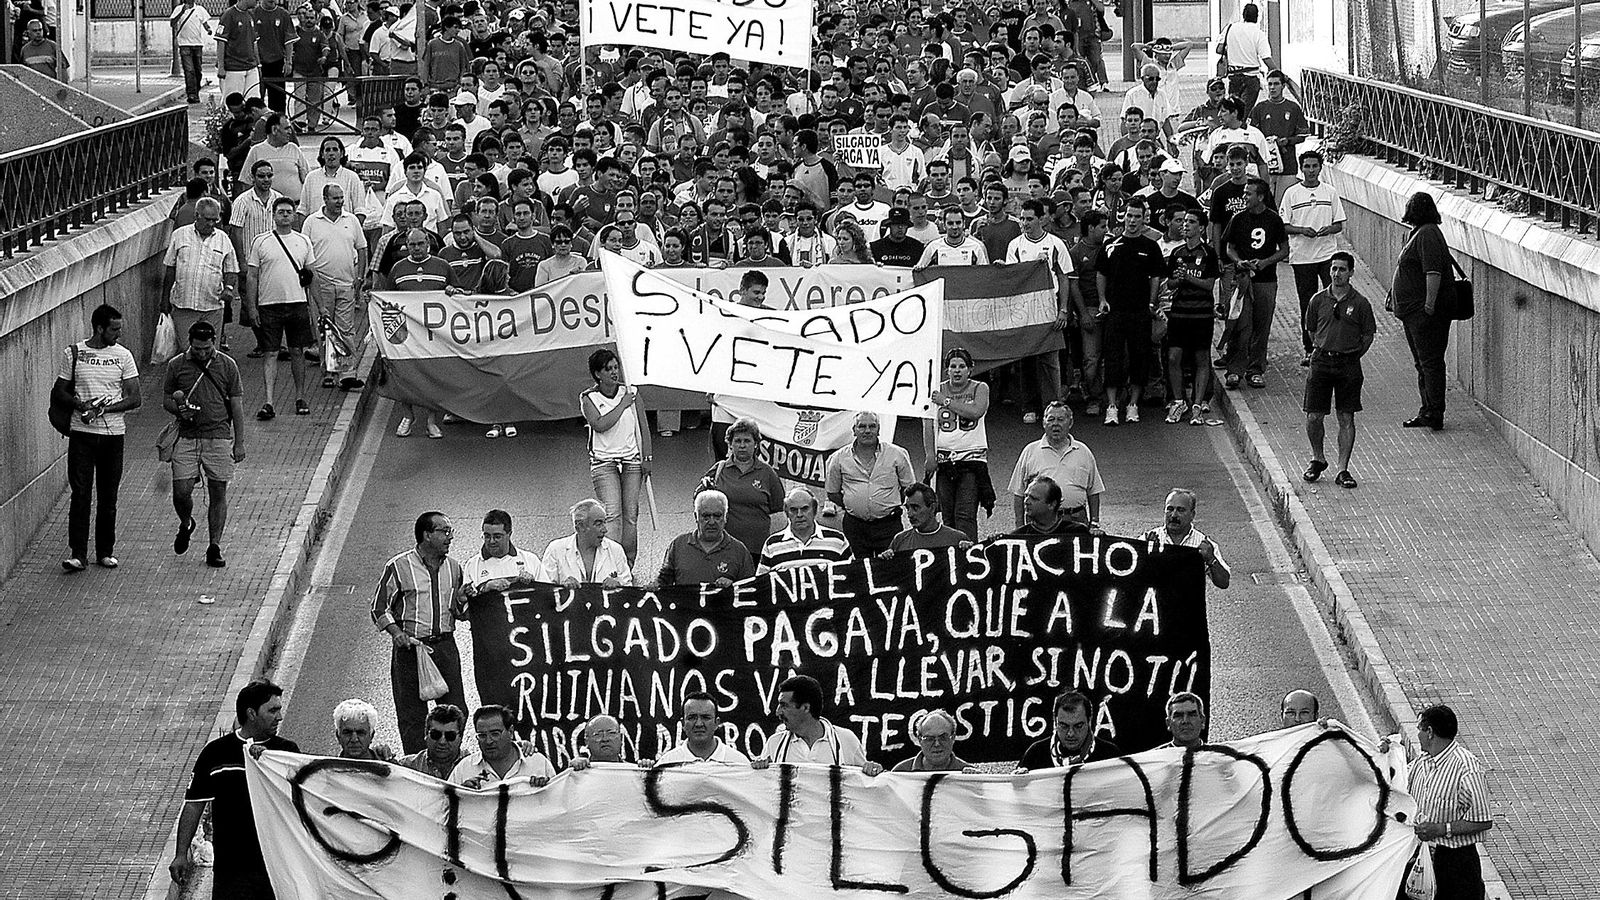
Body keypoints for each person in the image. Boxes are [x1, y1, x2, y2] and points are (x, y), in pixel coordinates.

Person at [170, 680, 297, 899]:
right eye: (272, 710)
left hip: (277, 868)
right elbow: (194, 805)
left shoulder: (286, 752)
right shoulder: (215, 753)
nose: (279, 716)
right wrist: (181, 854)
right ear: (252, 713)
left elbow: (304, 802)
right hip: (231, 871)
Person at [371, 511, 468, 755]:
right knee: (412, 715)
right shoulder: (398, 566)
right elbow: (379, 608)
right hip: (410, 650)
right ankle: (417, 764)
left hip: (445, 647)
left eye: (451, 532)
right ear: (427, 535)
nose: (450, 537)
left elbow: (460, 612)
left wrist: (463, 602)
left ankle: (450, 760)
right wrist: (396, 633)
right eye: (444, 532)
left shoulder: (454, 568)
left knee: (456, 710)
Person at [56, 304, 141, 572]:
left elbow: (135, 398)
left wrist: (105, 409)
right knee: (80, 493)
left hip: (113, 435)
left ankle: (105, 551)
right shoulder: (75, 353)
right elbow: (59, 391)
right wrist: (79, 404)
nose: (118, 333)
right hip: (81, 434)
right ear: (99, 328)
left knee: (108, 496)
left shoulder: (123, 356)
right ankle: (78, 553)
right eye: (114, 329)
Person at [163, 321, 246, 569]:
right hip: (186, 437)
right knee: (181, 491)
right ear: (190, 343)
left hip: (218, 436)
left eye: (207, 349)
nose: (202, 353)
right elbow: (167, 399)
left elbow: (236, 405)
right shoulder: (176, 365)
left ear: (214, 342)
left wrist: (239, 442)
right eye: (197, 349)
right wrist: (179, 410)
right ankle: (186, 522)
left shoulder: (228, 365)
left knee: (218, 491)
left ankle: (214, 546)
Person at [1302, 253, 1376, 489]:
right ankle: (1318, 458)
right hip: (1321, 361)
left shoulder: (1361, 303)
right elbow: (1311, 331)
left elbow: (1368, 336)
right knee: (1314, 415)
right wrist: (1325, 347)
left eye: (1342, 269)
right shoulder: (1317, 300)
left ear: (1351, 272)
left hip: (1348, 364)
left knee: (1346, 416)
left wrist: (1351, 354)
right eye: (1334, 269)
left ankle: (1343, 469)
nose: (1336, 274)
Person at [1406, 704, 1494, 899]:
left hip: (1455, 865)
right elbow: (1395, 777)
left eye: (1419, 729)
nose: (1418, 735)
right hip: (1420, 857)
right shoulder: (1422, 761)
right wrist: (1386, 753)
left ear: (1430, 732)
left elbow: (1483, 819)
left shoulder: (1467, 769)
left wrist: (1441, 829)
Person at [245, 197, 317, 419]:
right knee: (270, 353)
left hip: (297, 304)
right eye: (281, 212)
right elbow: (252, 276)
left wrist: (318, 308)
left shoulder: (303, 241)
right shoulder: (260, 241)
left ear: (294, 216)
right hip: (269, 305)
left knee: (297, 352)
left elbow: (312, 276)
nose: (285, 215)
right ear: (273, 215)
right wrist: (252, 308)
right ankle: (269, 402)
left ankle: (300, 397)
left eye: (289, 212)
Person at [1390, 191, 1455, 431]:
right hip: (1414, 313)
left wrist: (1428, 306)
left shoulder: (1427, 234)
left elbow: (1433, 272)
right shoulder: (1420, 232)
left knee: (1430, 363)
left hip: (1424, 315)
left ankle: (1434, 411)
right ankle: (1427, 409)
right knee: (1423, 363)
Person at [1098, 199, 1166, 424]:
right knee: (1113, 358)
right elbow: (1101, 273)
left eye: (1137, 216)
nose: (1132, 221)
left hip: (1140, 313)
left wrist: (1151, 303)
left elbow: (1156, 277)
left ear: (1144, 218)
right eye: (1129, 216)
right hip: (1115, 312)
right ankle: (1112, 406)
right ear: (1124, 217)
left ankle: (1133, 404)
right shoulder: (1111, 245)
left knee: (1140, 357)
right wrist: (1102, 300)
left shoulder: (1151, 247)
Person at [581, 348, 650, 565]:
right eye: (608, 369)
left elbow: (643, 426)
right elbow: (600, 425)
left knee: (631, 514)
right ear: (597, 374)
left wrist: (647, 458)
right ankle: (610, 563)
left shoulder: (631, 392)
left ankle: (627, 562)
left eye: (615, 367)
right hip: (604, 462)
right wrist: (622, 404)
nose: (614, 372)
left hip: (631, 460)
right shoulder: (588, 398)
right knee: (612, 513)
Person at [1221, 178, 1288, 390]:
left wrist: (1265, 262)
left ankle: (1256, 370)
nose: (1244, 197)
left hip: (1266, 280)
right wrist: (1239, 261)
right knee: (1240, 324)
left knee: (1262, 325)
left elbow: (1284, 250)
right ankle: (1234, 370)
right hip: (1243, 280)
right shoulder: (1238, 219)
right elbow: (1229, 248)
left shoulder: (1274, 220)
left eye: (1248, 194)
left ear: (1260, 196)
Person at [1281, 149, 1346, 366]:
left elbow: (1339, 224)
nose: (1311, 170)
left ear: (1320, 168)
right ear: (1301, 168)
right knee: (1307, 304)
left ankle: (1333, 345)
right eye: (1307, 166)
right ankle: (1310, 349)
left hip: (1327, 256)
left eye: (1314, 166)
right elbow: (1284, 225)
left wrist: (1328, 229)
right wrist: (1301, 230)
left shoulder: (1330, 192)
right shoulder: (1291, 193)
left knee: (1333, 300)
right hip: (1302, 258)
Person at [301, 183, 369, 391]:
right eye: (335, 198)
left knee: (346, 329)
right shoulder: (311, 222)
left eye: (341, 197)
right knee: (325, 329)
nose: (340, 202)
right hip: (320, 285)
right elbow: (304, 253)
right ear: (325, 199)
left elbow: (362, 248)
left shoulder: (352, 220)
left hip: (347, 283)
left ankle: (347, 373)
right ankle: (329, 372)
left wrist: (359, 277)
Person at [824, 411, 917, 558]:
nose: (867, 431)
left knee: (890, 565)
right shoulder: (838, 458)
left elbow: (909, 488)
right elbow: (832, 493)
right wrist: (852, 504)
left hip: (889, 525)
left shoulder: (897, 454)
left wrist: (888, 503)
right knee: (858, 567)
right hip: (855, 526)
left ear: (879, 429)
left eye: (872, 426)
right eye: (862, 426)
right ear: (854, 430)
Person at [923, 348, 994, 540]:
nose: (957, 370)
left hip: (971, 461)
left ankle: (969, 553)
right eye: (953, 366)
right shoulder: (937, 390)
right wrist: (930, 455)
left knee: (965, 515)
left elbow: (976, 412)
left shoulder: (980, 388)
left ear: (970, 369)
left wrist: (946, 401)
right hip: (944, 460)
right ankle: (950, 553)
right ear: (947, 370)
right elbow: (928, 423)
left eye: (962, 366)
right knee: (947, 516)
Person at [752, 674, 883, 774]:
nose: (777, 712)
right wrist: (759, 769)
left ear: (805, 708)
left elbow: (865, 786)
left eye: (784, 706)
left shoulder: (846, 740)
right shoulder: (774, 744)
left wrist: (873, 771)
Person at [1162, 208, 1222, 425]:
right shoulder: (1176, 253)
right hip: (1179, 313)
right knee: (1173, 357)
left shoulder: (1209, 253)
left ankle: (1197, 405)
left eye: (1191, 222)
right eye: (1184, 221)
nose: (1185, 225)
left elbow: (1208, 285)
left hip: (1201, 314)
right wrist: (1177, 280)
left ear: (1202, 227)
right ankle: (1179, 401)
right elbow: (1170, 284)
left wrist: (1187, 276)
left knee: (1201, 358)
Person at [389, 228, 449, 439]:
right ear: (407, 246)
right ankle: (408, 416)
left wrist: (452, 292)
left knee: (432, 377)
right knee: (404, 376)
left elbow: (457, 296)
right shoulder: (398, 269)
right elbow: (387, 299)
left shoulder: (443, 266)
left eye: (420, 244)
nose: (416, 248)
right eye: (412, 245)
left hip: (434, 335)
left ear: (428, 244)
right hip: (406, 336)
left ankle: (431, 421)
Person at [1008, 401, 1105, 532]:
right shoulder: (1030, 451)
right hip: (1040, 524)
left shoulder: (1083, 451)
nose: (1055, 424)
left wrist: (1094, 523)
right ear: (1043, 423)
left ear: (1070, 423)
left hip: (1075, 521)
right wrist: (1020, 528)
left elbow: (1093, 491)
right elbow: (1018, 492)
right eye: (1051, 419)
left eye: (1060, 419)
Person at [698, 417, 785, 558]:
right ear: (730, 444)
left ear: (756, 444)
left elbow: (779, 509)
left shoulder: (767, 473)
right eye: (737, 441)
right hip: (723, 548)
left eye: (747, 441)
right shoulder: (719, 470)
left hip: (758, 549)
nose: (742, 445)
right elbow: (700, 505)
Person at [162, 197, 241, 345]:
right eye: (207, 219)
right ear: (197, 215)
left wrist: (229, 288)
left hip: (212, 307)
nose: (211, 224)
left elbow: (231, 270)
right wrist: (164, 299)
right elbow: (170, 269)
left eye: (214, 220)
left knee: (210, 349)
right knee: (187, 349)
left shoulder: (223, 239)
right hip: (183, 306)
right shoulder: (179, 235)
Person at [657, 490, 755, 587]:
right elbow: (663, 581)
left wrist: (732, 586)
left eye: (717, 516)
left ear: (726, 517)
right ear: (696, 517)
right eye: (706, 516)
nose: (712, 522)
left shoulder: (739, 551)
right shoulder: (678, 545)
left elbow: (750, 588)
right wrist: (655, 584)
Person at [450, 705, 556, 788]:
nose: (488, 741)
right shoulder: (464, 769)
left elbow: (558, 801)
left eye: (495, 734)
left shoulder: (538, 764)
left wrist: (545, 790)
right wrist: (460, 794)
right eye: (482, 735)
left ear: (510, 732)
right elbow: (445, 805)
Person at [1144, 488, 1231, 589]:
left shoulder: (1203, 544)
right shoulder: (1148, 539)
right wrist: (1144, 554)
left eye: (1180, 510)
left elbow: (1224, 582)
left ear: (1192, 515)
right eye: (1170, 509)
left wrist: (1211, 559)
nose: (1174, 515)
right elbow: (1130, 576)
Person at [1015, 690, 1122, 771]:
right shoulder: (1035, 754)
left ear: (1089, 721)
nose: (1071, 733)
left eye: (1078, 726)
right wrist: (1019, 783)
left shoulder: (1110, 755)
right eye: (1064, 726)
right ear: (1055, 721)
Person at [758, 488, 854, 573]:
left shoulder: (837, 541)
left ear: (815, 510)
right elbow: (761, 583)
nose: (799, 514)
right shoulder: (772, 545)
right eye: (793, 510)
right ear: (787, 513)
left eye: (805, 509)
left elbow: (853, 578)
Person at [463, 508, 550, 601]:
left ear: (509, 534)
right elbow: (466, 602)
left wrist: (533, 586)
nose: (491, 541)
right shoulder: (472, 565)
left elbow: (548, 596)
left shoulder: (530, 560)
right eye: (487, 536)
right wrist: (485, 588)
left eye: (497, 536)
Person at [543, 499, 634, 587]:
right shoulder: (555, 550)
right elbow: (544, 590)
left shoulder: (616, 550)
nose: (605, 530)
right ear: (580, 527)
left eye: (604, 523)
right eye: (598, 524)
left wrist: (618, 585)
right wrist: (562, 588)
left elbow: (629, 588)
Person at [657, 691, 750, 764]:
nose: (699, 724)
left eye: (706, 717)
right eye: (692, 717)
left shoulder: (738, 762)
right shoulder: (667, 763)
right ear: (683, 724)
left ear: (716, 723)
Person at [1216, 2, 1273, 111]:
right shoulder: (1259, 33)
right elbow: (1266, 57)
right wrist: (1276, 71)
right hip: (1251, 78)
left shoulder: (1230, 28)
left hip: (1234, 77)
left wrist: (1233, 50)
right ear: (1257, 17)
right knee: (1244, 112)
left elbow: (1219, 49)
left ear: (1243, 15)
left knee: (1233, 111)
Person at [886, 482, 969, 555]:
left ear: (932, 508)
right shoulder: (899, 541)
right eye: (907, 508)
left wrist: (969, 550)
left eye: (915, 508)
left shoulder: (956, 540)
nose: (909, 514)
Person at [892, 710, 977, 772]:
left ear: (953, 738)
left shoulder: (969, 775)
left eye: (943, 737)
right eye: (929, 739)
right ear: (919, 739)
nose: (937, 744)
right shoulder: (900, 772)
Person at [399, 703, 468, 779]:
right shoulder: (406, 767)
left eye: (450, 736)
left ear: (460, 737)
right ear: (426, 734)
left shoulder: (473, 766)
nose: (442, 741)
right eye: (435, 734)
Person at [216, 0, 262, 103]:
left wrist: (258, 64)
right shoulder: (229, 15)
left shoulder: (250, 15)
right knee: (233, 102)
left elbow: (254, 42)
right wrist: (221, 67)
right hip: (234, 68)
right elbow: (221, 41)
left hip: (251, 67)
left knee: (254, 101)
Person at [1013, 474, 1088, 535]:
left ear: (1052, 504)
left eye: (1034, 498)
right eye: (1026, 496)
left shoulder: (1078, 532)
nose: (1026, 501)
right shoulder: (1018, 537)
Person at [170, 0, 213, 103]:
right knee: (189, 70)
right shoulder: (178, 9)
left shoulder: (200, 9)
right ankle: (191, 94)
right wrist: (181, 12)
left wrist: (208, 29)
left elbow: (205, 23)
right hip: (184, 44)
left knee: (198, 71)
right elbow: (172, 23)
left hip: (197, 44)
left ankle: (196, 91)